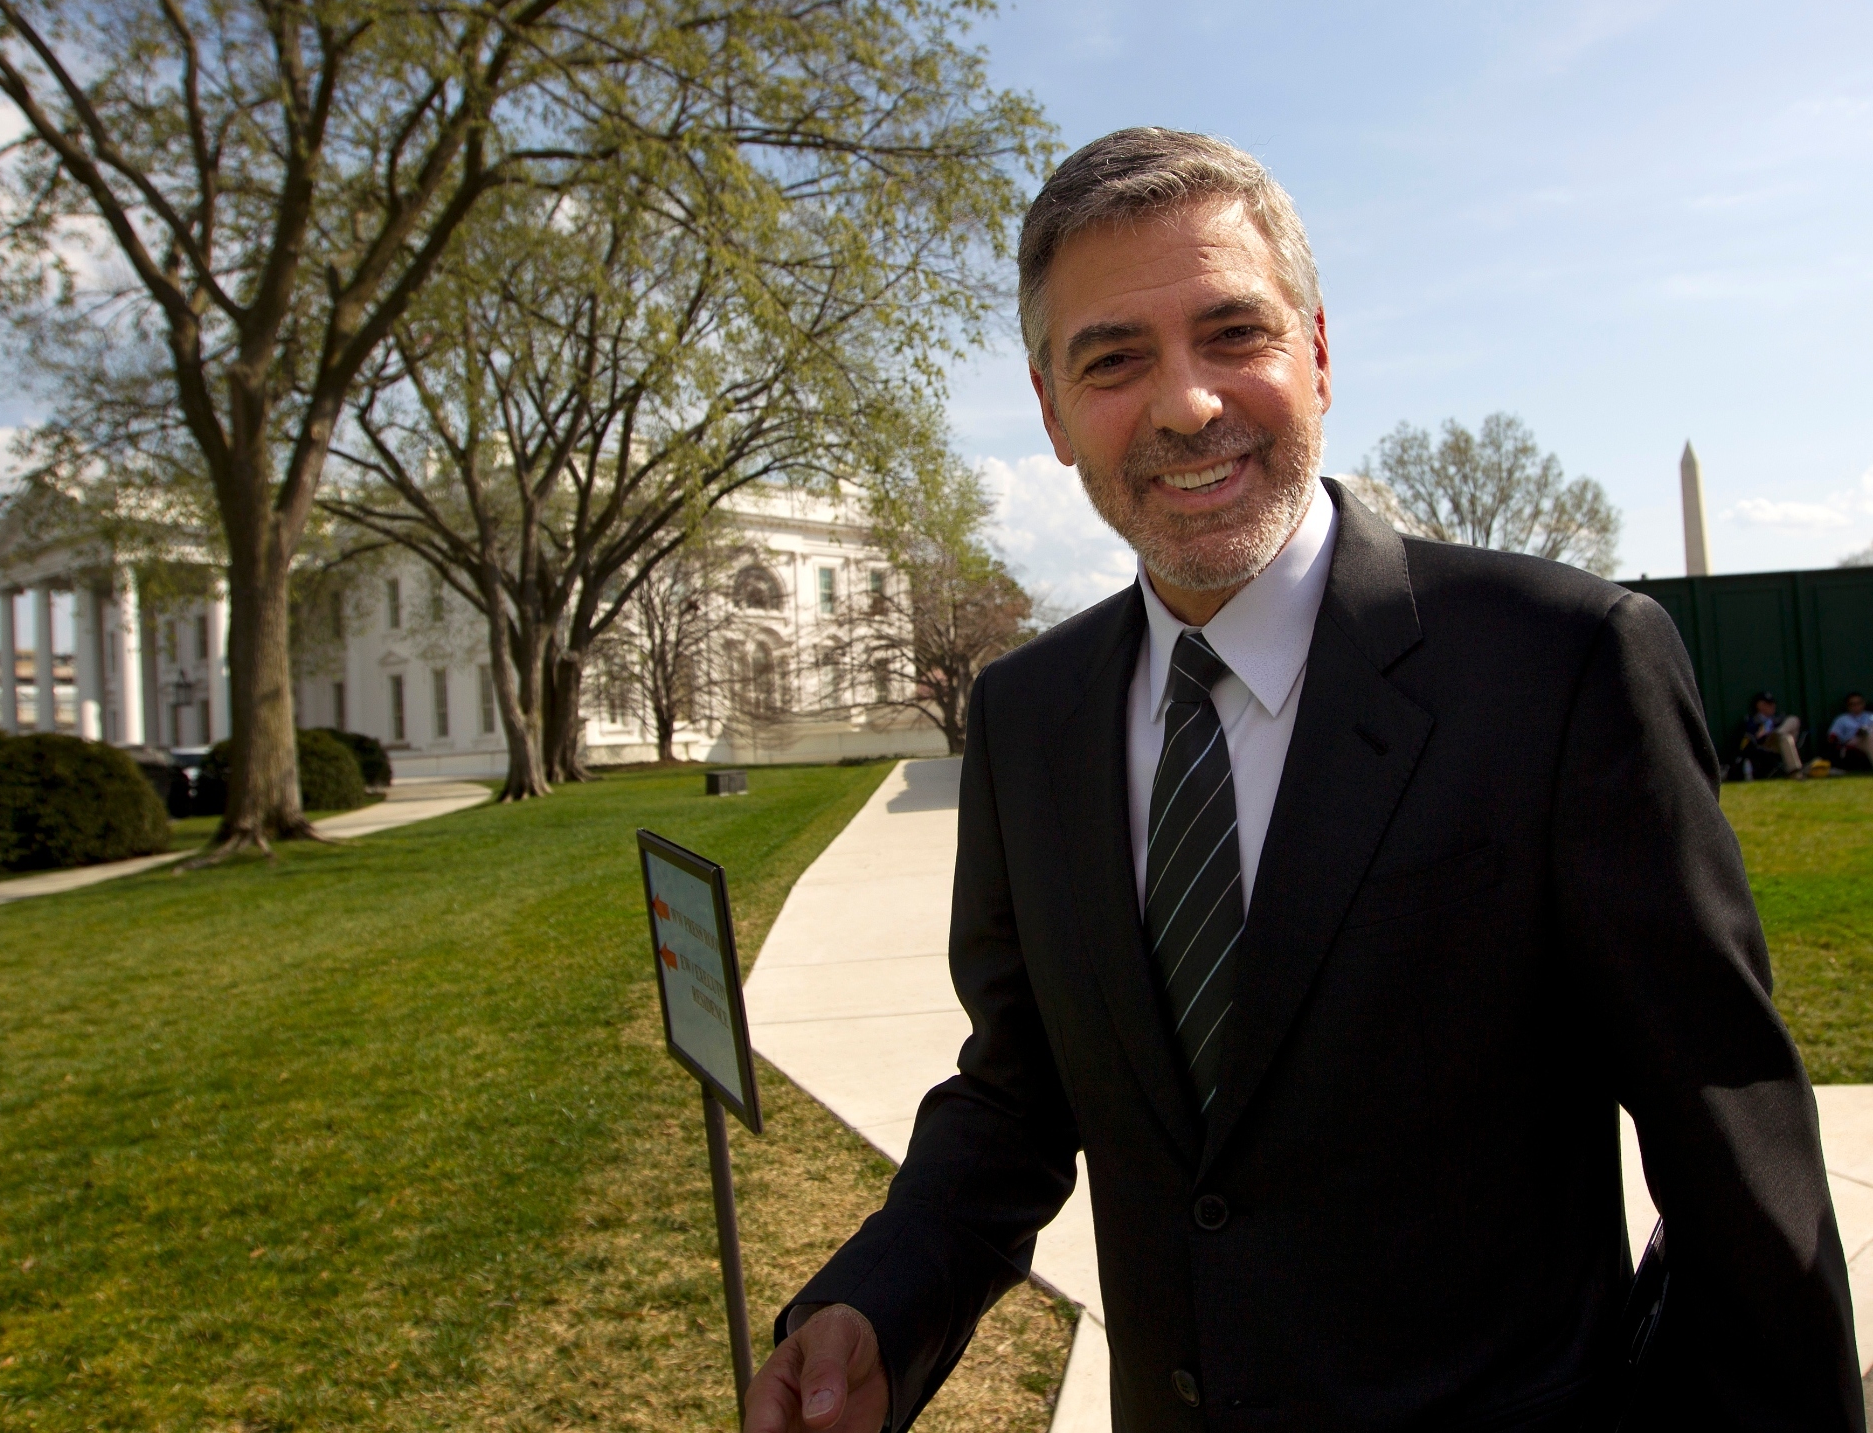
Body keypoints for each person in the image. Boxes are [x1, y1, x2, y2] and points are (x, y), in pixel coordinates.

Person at [743, 129, 1860, 1431]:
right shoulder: (1027, 719)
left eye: (1234, 333)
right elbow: (1018, 1092)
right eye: (1115, 359)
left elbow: (1738, 1167)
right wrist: (878, 1302)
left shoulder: (1563, 670)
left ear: (1317, 352)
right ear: (1051, 410)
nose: (1186, 404)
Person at [1741, 690, 1805, 779]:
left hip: (1782, 742)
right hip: (1766, 745)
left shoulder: (1778, 719)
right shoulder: (1752, 721)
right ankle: (1795, 773)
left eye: (1773, 703)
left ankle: (1778, 733)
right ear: (1759, 705)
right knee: (1784, 738)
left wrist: (1776, 732)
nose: (1773, 706)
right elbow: (1750, 740)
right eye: (1769, 704)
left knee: (1792, 722)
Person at [1830, 691, 1873, 773]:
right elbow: (1832, 738)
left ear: (1863, 704)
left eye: (1859, 703)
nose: (1856, 706)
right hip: (1851, 743)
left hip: (1868, 740)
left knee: (1870, 736)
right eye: (1852, 704)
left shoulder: (1870, 716)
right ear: (1848, 706)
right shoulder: (1842, 719)